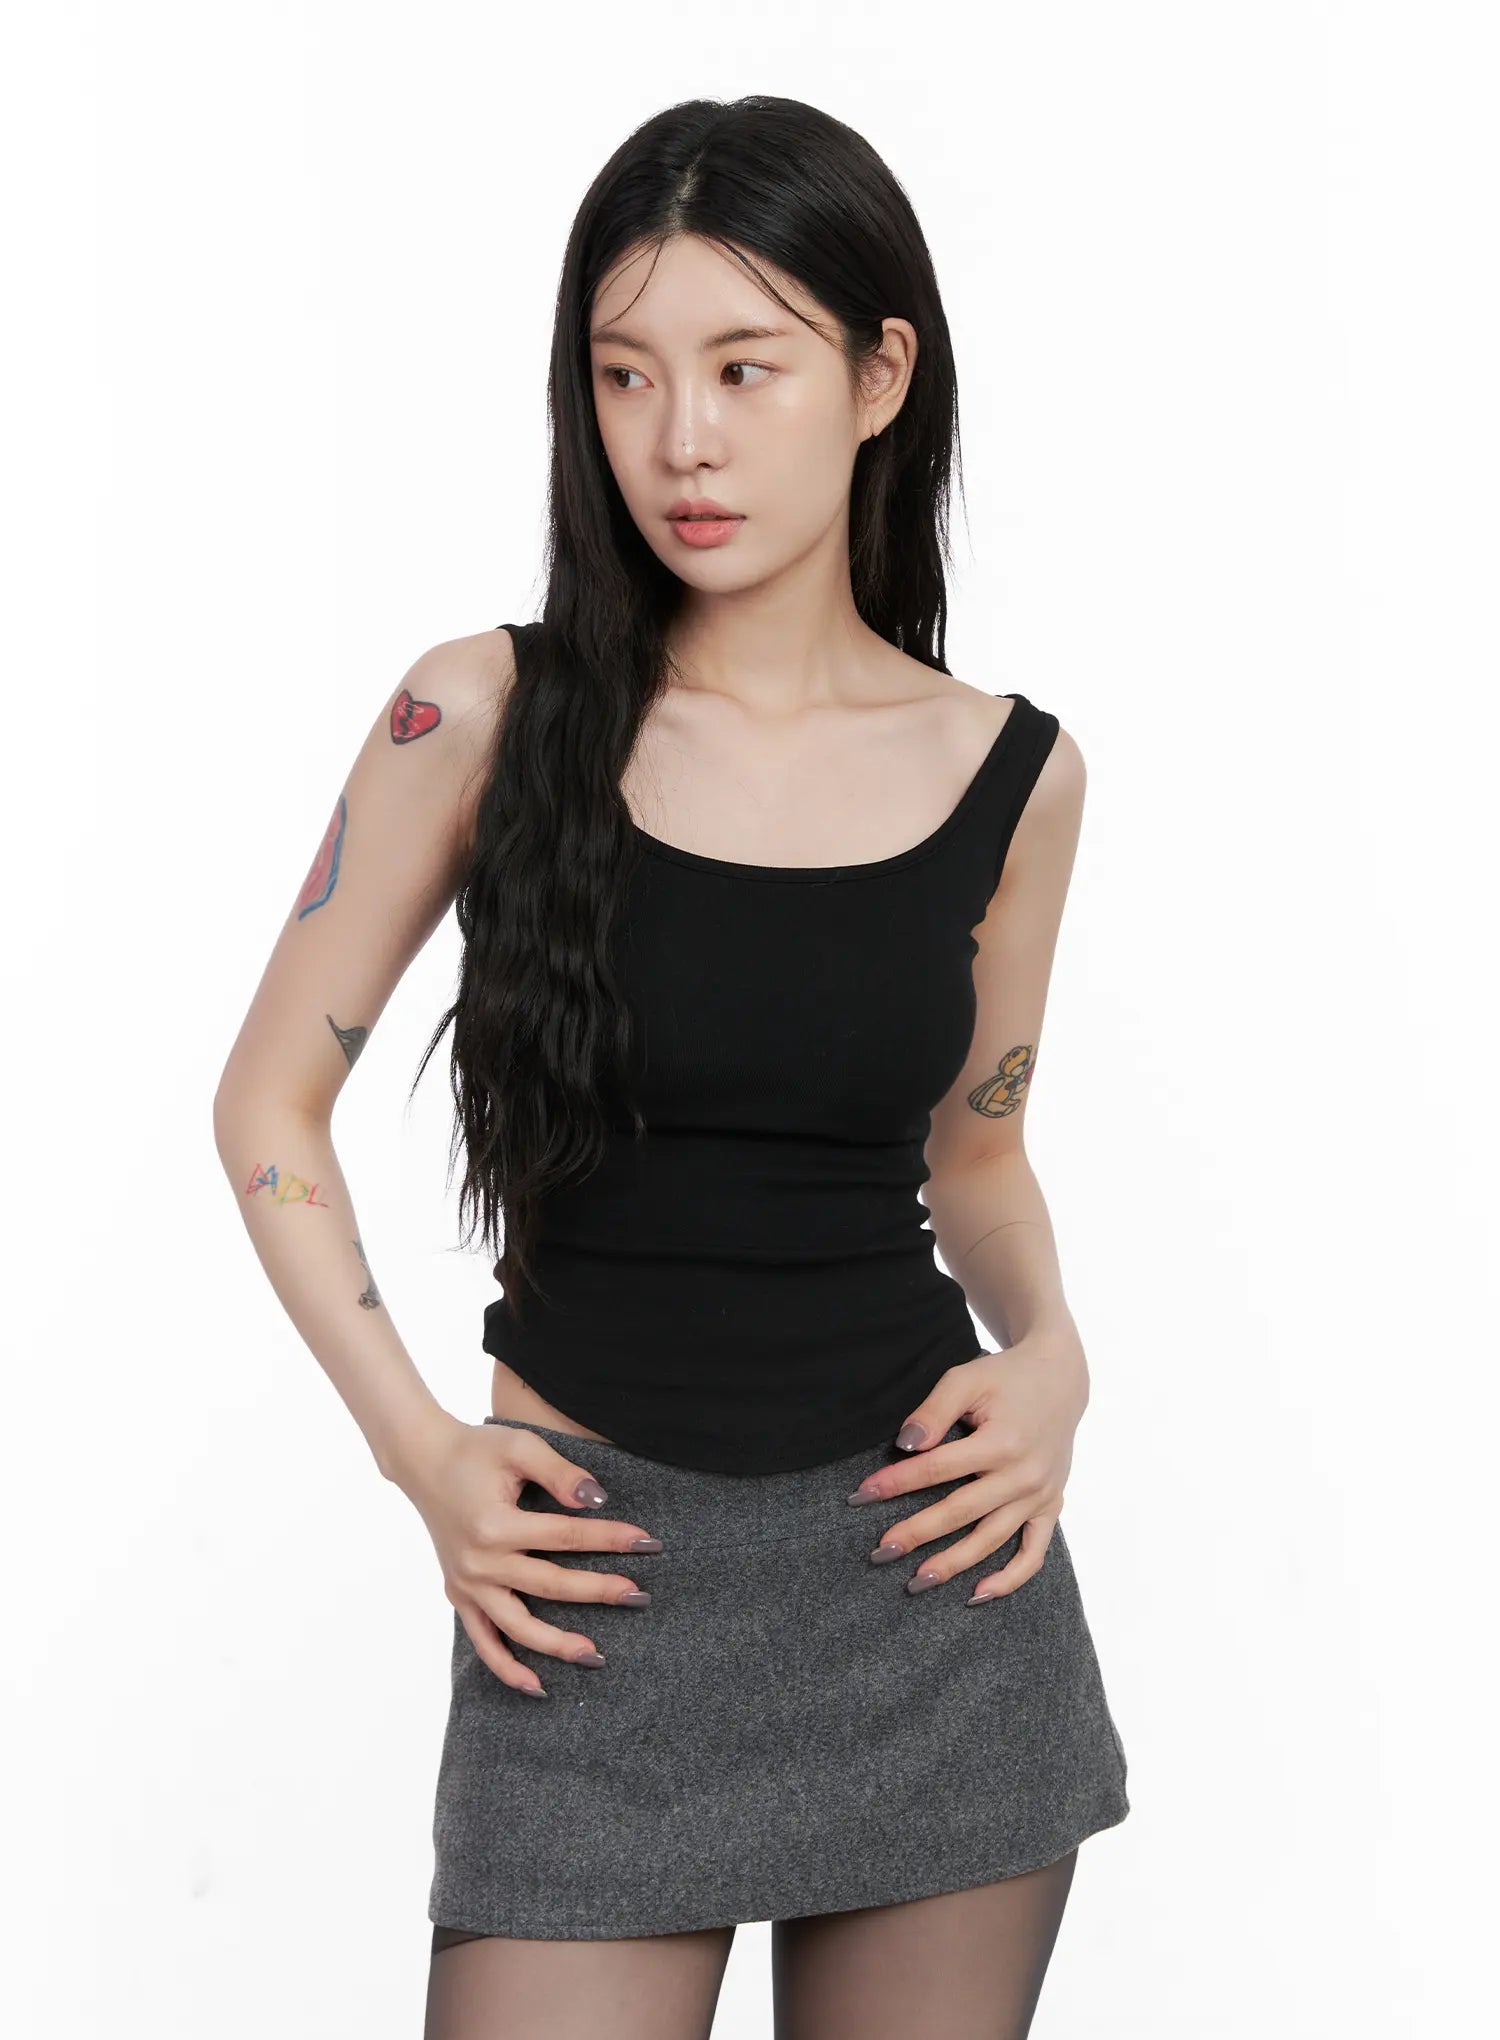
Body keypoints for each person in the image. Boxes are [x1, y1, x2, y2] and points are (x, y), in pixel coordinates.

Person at [213, 93, 1129, 2040]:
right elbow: (266, 1104)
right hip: (586, 1592)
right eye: (625, 374)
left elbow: (979, 1160)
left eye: (742, 367)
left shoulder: (1015, 775)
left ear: (880, 378)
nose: (680, 438)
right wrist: (423, 1455)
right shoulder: (477, 712)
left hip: (926, 1596)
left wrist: (1054, 1356)